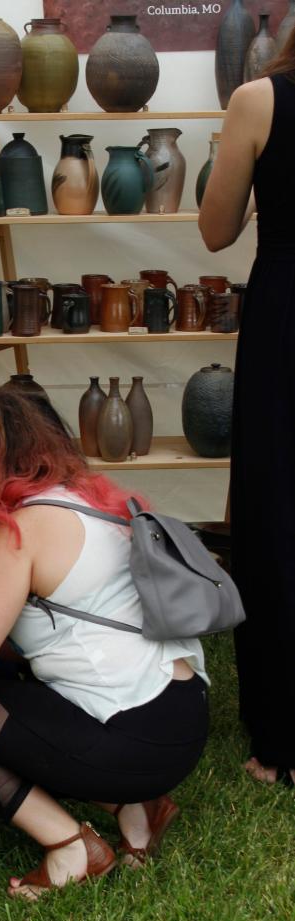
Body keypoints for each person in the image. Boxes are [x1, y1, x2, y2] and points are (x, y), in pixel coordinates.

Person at [0, 391, 209, 897]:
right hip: (180, 715)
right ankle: (139, 808)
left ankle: (71, 844)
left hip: (134, 739)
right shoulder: (91, 501)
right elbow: (39, 648)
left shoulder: (20, 532)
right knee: (0, 680)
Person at [199, 44, 295, 787]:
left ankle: (280, 739)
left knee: (276, 511)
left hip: (286, 321)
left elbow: (214, 229)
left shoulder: (259, 100)